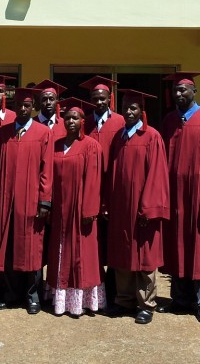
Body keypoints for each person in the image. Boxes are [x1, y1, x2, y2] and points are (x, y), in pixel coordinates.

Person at [158, 72, 200, 323]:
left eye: (183, 90)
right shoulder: (169, 121)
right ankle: (179, 299)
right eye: (175, 90)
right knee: (177, 247)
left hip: (198, 197)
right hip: (176, 197)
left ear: (194, 92)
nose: (179, 94)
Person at [103, 89, 169, 325]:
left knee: (144, 258)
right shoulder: (119, 137)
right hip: (121, 208)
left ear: (142, 110)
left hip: (142, 209)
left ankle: (146, 304)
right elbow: (112, 174)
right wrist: (109, 203)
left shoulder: (152, 136)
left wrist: (148, 208)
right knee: (122, 255)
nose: (129, 112)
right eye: (125, 108)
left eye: (133, 108)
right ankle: (124, 300)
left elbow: (157, 175)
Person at [0, 87, 53, 314]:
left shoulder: (43, 133)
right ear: (14, 107)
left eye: (27, 105)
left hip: (31, 201)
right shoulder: (2, 133)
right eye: (19, 105)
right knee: (8, 247)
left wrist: (44, 200)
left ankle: (32, 296)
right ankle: (10, 294)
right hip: (7, 200)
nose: (23, 109)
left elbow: (47, 170)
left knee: (31, 248)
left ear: (33, 107)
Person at [45, 98, 106, 317]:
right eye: (67, 118)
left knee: (82, 253)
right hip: (60, 209)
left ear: (82, 121)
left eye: (75, 118)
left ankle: (82, 299)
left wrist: (89, 209)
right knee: (60, 251)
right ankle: (60, 297)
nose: (70, 121)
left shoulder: (91, 145)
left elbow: (94, 180)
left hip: (81, 209)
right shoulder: (56, 145)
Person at [79, 75, 125, 308]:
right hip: (90, 190)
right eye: (95, 98)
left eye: (102, 98)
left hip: (113, 189)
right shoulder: (84, 123)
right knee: (93, 243)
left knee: (113, 242)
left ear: (110, 99)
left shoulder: (120, 122)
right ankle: (95, 291)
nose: (98, 102)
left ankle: (115, 291)